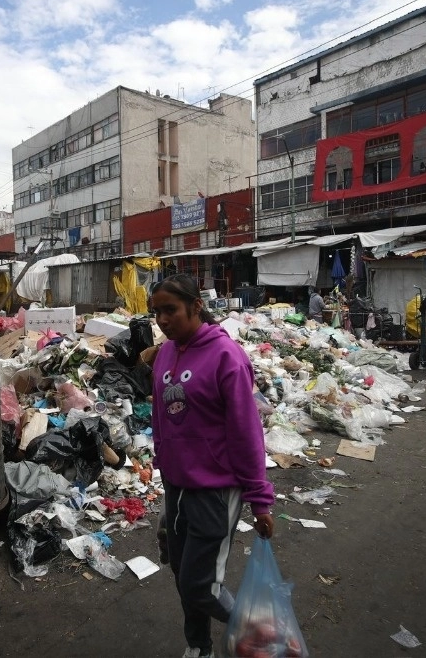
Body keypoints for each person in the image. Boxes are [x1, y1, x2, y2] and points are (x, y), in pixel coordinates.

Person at [149, 274, 275, 658]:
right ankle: (199, 647)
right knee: (182, 573)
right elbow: (162, 415)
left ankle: (261, 636)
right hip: (177, 484)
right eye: (157, 313)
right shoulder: (166, 353)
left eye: (170, 310)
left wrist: (260, 499)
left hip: (216, 488)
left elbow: (246, 431)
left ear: (196, 306)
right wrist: (162, 462)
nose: (163, 320)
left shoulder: (226, 357)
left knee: (200, 585)